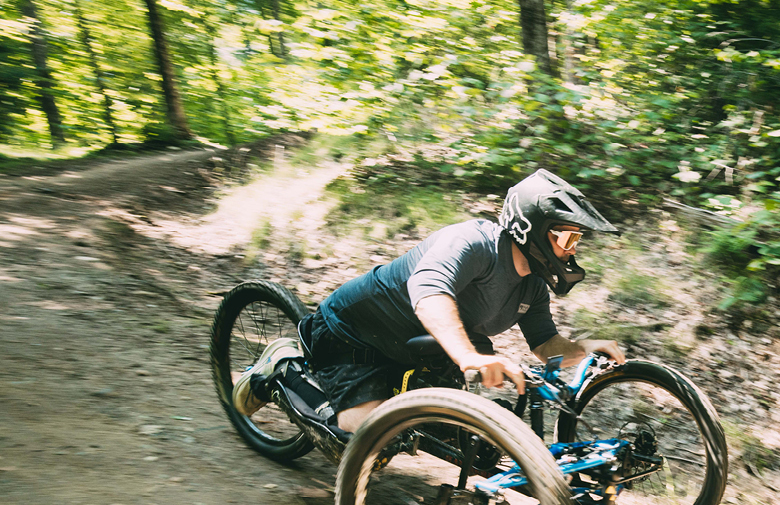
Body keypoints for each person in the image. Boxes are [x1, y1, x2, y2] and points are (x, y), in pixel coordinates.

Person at [232, 169, 626, 432]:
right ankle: (283, 369)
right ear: (533, 228)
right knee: (366, 436)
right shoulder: (473, 242)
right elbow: (429, 292)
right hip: (354, 333)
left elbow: (544, 344)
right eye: (565, 238)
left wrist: (583, 349)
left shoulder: (532, 285)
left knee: (451, 433)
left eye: (576, 240)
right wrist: (470, 357)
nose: (571, 250)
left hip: (417, 351)